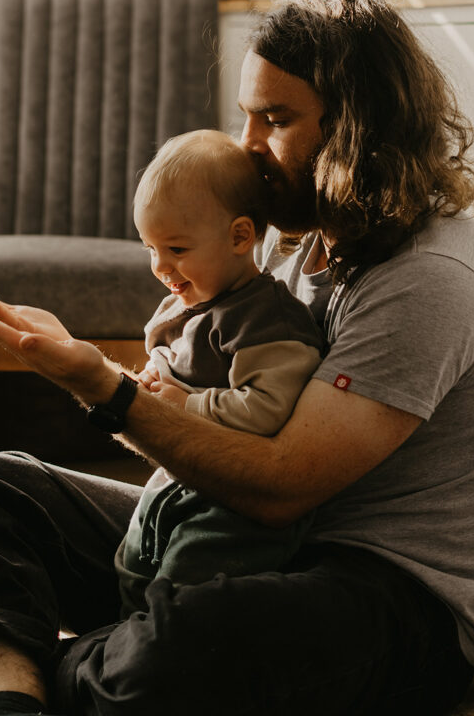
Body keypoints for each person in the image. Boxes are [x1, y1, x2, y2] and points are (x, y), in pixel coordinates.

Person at [0, 0, 474, 715]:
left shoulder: (434, 275)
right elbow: (209, 415)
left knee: (183, 644)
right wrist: (101, 370)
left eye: (274, 120)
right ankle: (21, 694)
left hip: (390, 596)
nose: (245, 145)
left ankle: (15, 663)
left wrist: (109, 396)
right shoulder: (293, 239)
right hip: (242, 540)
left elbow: (280, 486)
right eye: (246, 114)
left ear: (359, 129)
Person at [117, 128, 325, 616]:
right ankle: (118, 641)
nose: (161, 266)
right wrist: (153, 377)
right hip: (177, 483)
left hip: (235, 511)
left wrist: (184, 404)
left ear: (239, 236)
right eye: (150, 248)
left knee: (186, 588)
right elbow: (169, 360)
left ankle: (146, 654)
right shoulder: (188, 303)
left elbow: (268, 407)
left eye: (177, 249)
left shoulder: (267, 319)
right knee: (131, 565)